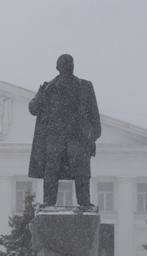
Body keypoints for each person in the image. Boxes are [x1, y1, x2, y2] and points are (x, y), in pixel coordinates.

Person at [28, 54, 101, 208]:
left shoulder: (85, 87)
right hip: (54, 139)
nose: (68, 66)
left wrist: (90, 138)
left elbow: (94, 118)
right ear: (57, 68)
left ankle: (84, 203)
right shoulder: (48, 88)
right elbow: (33, 108)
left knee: (82, 173)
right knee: (51, 172)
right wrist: (42, 94)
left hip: (78, 139)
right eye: (64, 64)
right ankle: (49, 203)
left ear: (74, 66)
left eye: (70, 63)